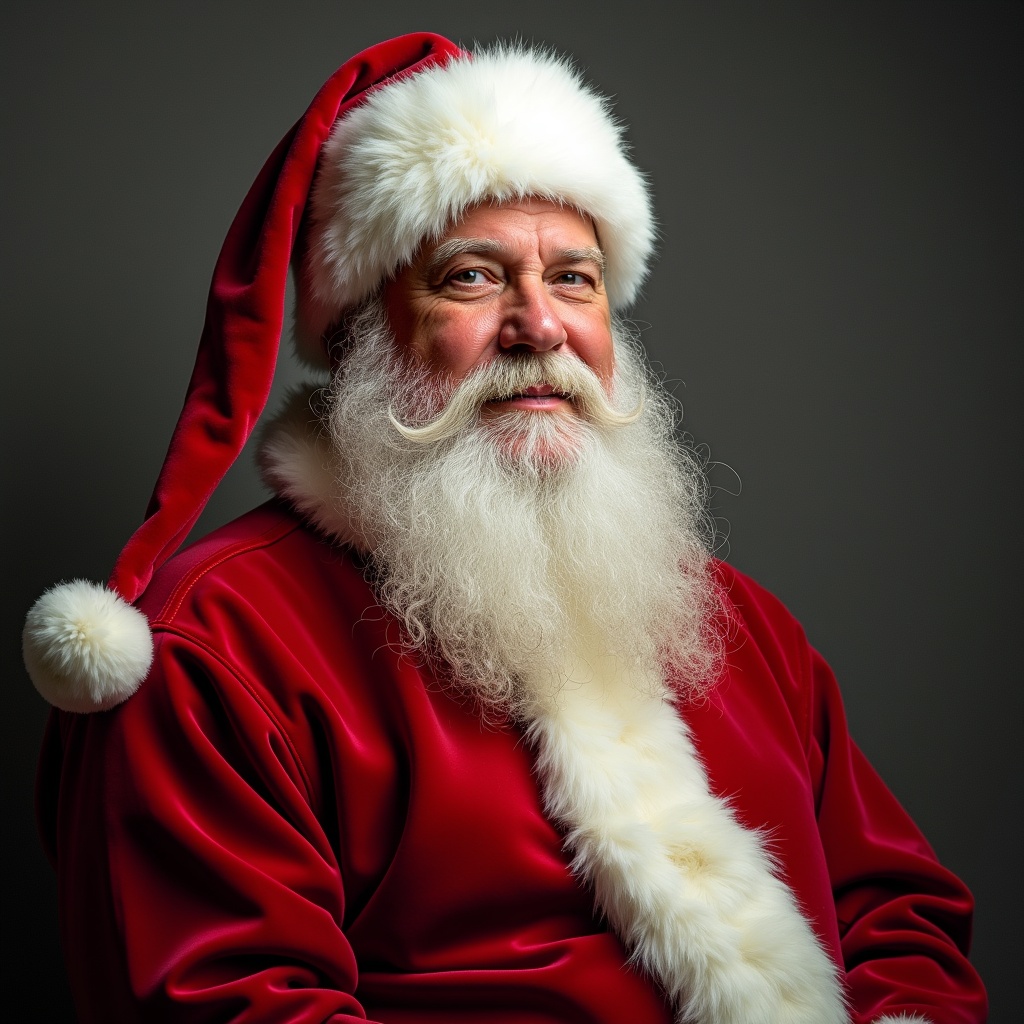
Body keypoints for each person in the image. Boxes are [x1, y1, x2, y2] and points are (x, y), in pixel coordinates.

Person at [23, 32, 987, 1024]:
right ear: (361, 332)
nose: (541, 326)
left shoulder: (741, 624)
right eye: (472, 278)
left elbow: (897, 918)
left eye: (575, 278)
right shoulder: (213, 645)